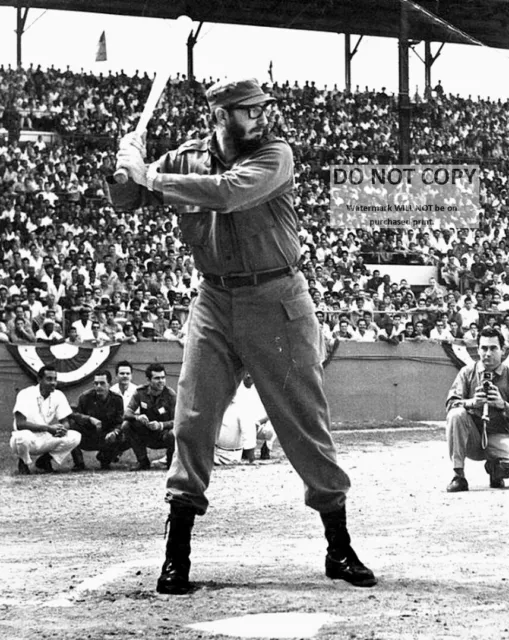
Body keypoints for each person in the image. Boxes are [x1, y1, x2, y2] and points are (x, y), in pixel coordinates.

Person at [111, 77, 376, 594]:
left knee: (304, 424)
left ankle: (339, 548)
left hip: (277, 300)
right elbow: (127, 199)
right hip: (213, 300)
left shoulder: (276, 155)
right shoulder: (186, 159)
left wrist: (150, 177)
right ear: (221, 115)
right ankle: (177, 556)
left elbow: (229, 193)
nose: (261, 117)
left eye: (263, 108)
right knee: (192, 418)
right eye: (249, 111)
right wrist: (125, 168)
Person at [445, 326, 509, 492]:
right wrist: (472, 403)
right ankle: (458, 475)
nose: (487, 353)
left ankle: (496, 469)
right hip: (473, 439)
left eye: (493, 348)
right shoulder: (467, 372)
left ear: (503, 350)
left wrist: (503, 405)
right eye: (483, 348)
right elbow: (451, 404)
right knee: (456, 414)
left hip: (500, 436)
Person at [10, 365, 81, 474]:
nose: (53, 383)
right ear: (39, 379)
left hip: (45, 437)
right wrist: (48, 428)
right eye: (49, 379)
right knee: (21, 437)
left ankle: (44, 460)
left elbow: (65, 421)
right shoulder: (25, 394)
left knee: (75, 436)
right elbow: (20, 424)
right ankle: (24, 462)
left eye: (55, 379)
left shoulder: (58, 395)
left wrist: (62, 429)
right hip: (27, 438)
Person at [121, 363, 176, 471]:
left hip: (164, 434)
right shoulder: (140, 392)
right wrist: (137, 417)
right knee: (126, 425)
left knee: (173, 433)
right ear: (149, 380)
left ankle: (171, 462)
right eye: (157, 378)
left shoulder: (170, 395)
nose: (161, 381)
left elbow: (178, 421)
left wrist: (160, 425)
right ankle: (143, 462)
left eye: (163, 378)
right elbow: (126, 413)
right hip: (146, 433)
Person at [69, 370, 125, 471]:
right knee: (71, 426)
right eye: (96, 383)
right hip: (87, 435)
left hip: (106, 436)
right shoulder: (85, 397)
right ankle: (79, 463)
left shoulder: (117, 399)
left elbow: (119, 422)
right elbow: (73, 414)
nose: (98, 386)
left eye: (102, 383)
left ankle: (105, 460)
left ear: (110, 384)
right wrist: (89, 419)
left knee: (122, 434)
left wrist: (114, 432)